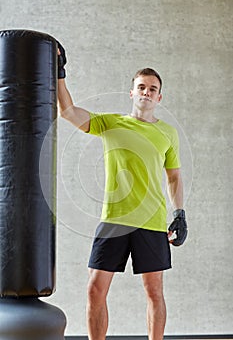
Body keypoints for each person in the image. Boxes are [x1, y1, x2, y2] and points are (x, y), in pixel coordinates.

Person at [57, 41, 187, 340]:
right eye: (141, 86)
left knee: (154, 292)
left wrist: (179, 213)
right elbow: (68, 112)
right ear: (132, 92)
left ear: (159, 96)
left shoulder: (167, 132)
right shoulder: (111, 123)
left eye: (152, 88)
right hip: (114, 218)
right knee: (94, 289)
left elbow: (174, 176)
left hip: (151, 221)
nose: (146, 92)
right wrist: (60, 75)